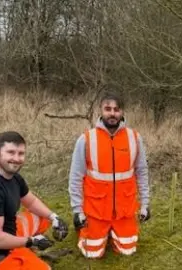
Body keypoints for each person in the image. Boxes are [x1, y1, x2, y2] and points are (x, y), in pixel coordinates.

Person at [0, 131, 69, 270]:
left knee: (41, 216)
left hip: (7, 235)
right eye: (11, 152)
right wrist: (30, 242)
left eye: (21, 153)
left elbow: (31, 202)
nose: (16, 158)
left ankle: (25, 250)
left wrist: (54, 217)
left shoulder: (14, 178)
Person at [68, 93, 151, 259]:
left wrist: (145, 204)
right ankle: (88, 228)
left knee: (128, 251)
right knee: (91, 253)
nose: (112, 113)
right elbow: (75, 177)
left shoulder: (134, 138)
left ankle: (115, 232)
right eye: (108, 109)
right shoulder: (86, 139)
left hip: (125, 211)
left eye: (116, 109)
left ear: (122, 112)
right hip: (96, 211)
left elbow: (142, 172)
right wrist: (77, 211)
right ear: (101, 110)